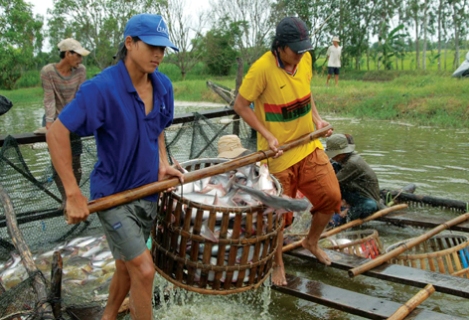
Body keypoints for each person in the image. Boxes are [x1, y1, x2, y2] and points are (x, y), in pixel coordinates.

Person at [46, 14, 184, 320]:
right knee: (145, 271)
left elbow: (158, 126)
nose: (159, 54)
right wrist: (72, 193)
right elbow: (56, 133)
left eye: (163, 48)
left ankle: (107, 316)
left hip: (147, 193)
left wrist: (163, 163)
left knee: (126, 266)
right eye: (151, 46)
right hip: (112, 196)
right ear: (130, 43)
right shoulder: (101, 89)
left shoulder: (163, 86)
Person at [233, 16, 341, 286]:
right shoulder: (261, 69)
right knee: (279, 216)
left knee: (331, 196)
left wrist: (317, 119)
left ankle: (311, 241)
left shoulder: (305, 60)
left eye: (304, 48)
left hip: (308, 145)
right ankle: (277, 262)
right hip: (278, 154)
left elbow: (306, 92)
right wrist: (267, 135)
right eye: (296, 49)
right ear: (280, 47)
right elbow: (241, 105)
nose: (301, 53)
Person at [40, 38, 90, 204]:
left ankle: (75, 194)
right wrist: (50, 125)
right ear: (67, 54)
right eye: (77, 55)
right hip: (54, 118)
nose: (80, 60)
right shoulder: (48, 72)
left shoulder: (80, 70)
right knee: (59, 161)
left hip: (73, 117)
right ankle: (66, 199)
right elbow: (49, 100)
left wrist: (78, 119)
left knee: (75, 160)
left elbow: (81, 97)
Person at [325, 133, 384, 227]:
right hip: (353, 193)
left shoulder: (353, 163)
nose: (331, 157)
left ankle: (345, 214)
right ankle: (342, 203)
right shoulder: (342, 160)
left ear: (341, 153)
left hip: (364, 198)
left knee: (369, 206)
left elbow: (332, 183)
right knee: (333, 166)